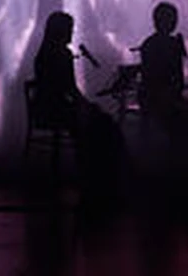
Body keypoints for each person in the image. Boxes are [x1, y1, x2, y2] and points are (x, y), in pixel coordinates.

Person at [32, 11, 124, 199]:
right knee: (101, 124)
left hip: (45, 107)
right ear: (60, 31)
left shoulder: (44, 53)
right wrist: (87, 106)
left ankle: (96, 176)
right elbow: (70, 89)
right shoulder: (62, 54)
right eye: (69, 29)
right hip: (56, 110)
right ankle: (98, 176)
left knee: (98, 121)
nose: (72, 33)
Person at [138, 1, 188, 155]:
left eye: (175, 18)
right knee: (186, 120)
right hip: (155, 96)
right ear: (159, 21)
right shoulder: (151, 44)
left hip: (171, 95)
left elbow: (177, 74)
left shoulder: (172, 42)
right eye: (171, 18)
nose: (175, 22)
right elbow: (151, 77)